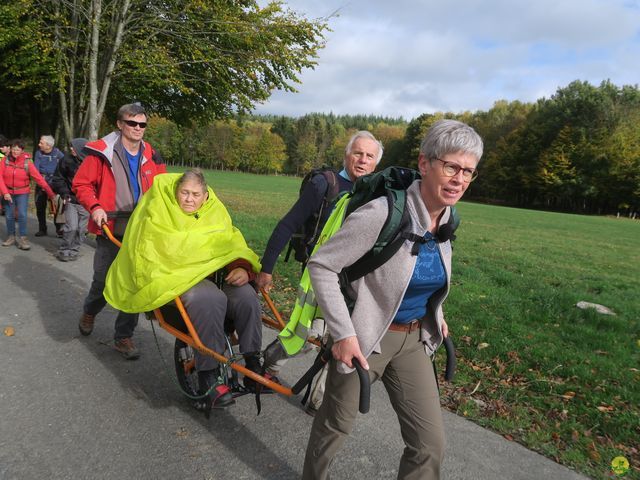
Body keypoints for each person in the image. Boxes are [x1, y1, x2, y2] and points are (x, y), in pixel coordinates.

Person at [302, 119, 483, 479]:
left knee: (429, 445)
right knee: (334, 428)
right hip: (365, 337)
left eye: (468, 171)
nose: (459, 179)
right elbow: (321, 266)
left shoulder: (448, 220)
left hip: (414, 340)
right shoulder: (383, 213)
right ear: (424, 163)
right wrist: (343, 333)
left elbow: (426, 275)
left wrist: (437, 312)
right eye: (451, 166)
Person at [104, 169, 263, 409]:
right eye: (184, 193)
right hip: (176, 282)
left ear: (206, 196)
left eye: (195, 194)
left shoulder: (215, 213)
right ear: (176, 192)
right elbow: (147, 253)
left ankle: (253, 364)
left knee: (246, 296)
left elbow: (230, 244)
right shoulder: (160, 213)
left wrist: (242, 268)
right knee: (210, 299)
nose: (189, 199)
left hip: (212, 275)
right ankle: (208, 376)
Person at [257, 131, 382, 413]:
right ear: (346, 155)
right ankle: (268, 366)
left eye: (369, 156)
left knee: (343, 340)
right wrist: (267, 268)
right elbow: (287, 224)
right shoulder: (324, 185)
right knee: (307, 336)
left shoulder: (376, 194)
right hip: (319, 276)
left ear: (376, 163)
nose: (362, 160)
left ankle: (318, 400)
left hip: (353, 282)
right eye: (357, 153)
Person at [72, 103, 166, 359]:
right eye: (132, 123)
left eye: (142, 124)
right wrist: (95, 206)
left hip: (142, 231)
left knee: (134, 284)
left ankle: (123, 337)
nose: (137, 128)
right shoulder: (102, 153)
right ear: (120, 124)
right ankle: (90, 312)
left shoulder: (152, 154)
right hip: (111, 227)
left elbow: (163, 188)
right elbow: (81, 184)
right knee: (103, 281)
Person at [0, 139, 55, 250]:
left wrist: (51, 193)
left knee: (22, 215)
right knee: (9, 215)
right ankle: (11, 236)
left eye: (18, 150)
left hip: (22, 193)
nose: (15, 152)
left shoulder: (27, 162)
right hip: (8, 192)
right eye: (13, 149)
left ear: (22, 150)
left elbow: (39, 178)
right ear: (10, 149)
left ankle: (23, 237)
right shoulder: (5, 160)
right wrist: (5, 192)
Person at [50, 138, 90, 262]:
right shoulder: (66, 160)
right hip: (71, 200)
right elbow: (58, 178)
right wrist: (64, 193)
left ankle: (74, 250)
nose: (71, 149)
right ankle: (64, 250)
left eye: (74, 147)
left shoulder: (92, 162)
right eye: (70, 147)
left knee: (81, 229)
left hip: (86, 202)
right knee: (71, 227)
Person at [33, 135, 65, 237]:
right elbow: (36, 170)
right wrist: (42, 183)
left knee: (56, 207)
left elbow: (64, 166)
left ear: (48, 146)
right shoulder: (38, 153)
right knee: (40, 207)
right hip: (41, 183)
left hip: (54, 184)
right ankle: (42, 229)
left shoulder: (58, 154)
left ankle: (59, 229)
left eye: (41, 143)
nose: (39, 145)